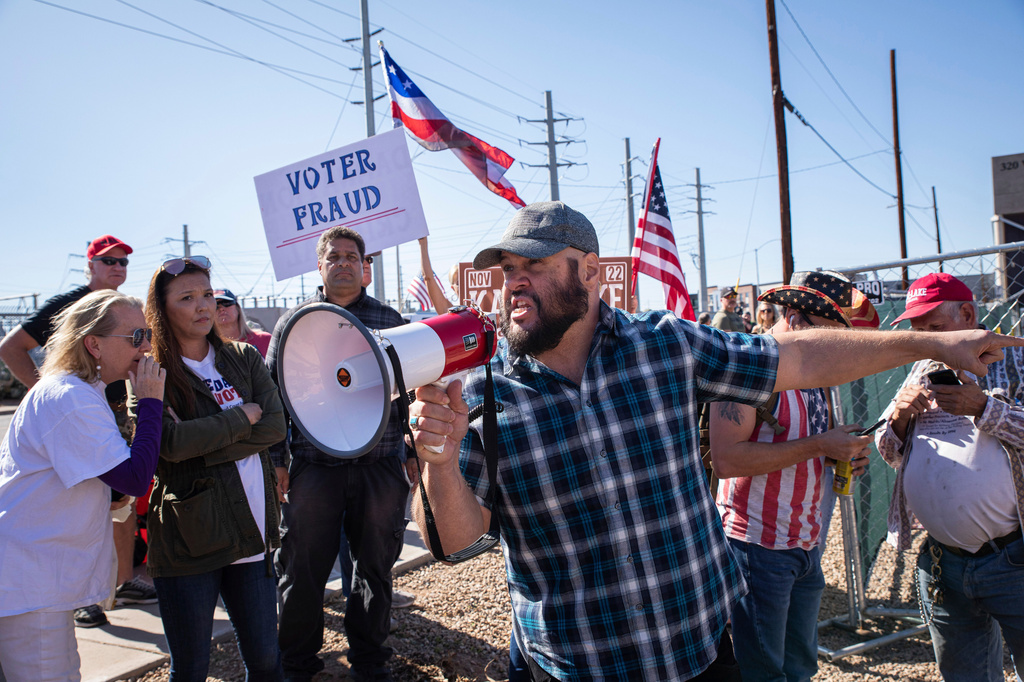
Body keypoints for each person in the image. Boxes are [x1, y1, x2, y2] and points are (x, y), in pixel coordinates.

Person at [406, 200, 1024, 682]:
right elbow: (454, 538)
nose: (515, 283)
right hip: (573, 665)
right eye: (508, 269)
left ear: (589, 272)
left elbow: (796, 360)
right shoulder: (486, 391)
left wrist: (927, 344)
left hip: (700, 654)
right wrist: (436, 463)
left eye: (534, 266)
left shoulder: (665, 346)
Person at [710, 271, 873, 682]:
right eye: (832, 337)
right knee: (762, 671)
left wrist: (841, 458)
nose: (838, 352)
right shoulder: (745, 366)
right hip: (756, 546)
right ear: (799, 320)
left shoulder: (814, 372)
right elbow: (726, 460)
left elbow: (812, 441)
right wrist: (821, 446)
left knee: (800, 666)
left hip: (804, 542)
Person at [268, 226, 412, 682]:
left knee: (375, 568)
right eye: (335, 256)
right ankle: (296, 664)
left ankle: (370, 661)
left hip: (380, 465)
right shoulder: (293, 325)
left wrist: (411, 450)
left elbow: (410, 393)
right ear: (320, 265)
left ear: (365, 268)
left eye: (353, 256)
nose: (345, 263)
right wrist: (277, 459)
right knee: (302, 569)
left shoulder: (392, 321)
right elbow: (274, 398)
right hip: (315, 467)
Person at [0, 290, 165, 680]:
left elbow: (98, 475)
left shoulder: (76, 390)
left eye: (147, 334)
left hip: (35, 578)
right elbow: (134, 477)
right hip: (32, 584)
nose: (145, 346)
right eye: (134, 337)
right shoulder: (71, 397)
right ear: (93, 344)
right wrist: (150, 402)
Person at [143, 256, 286, 680]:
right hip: (190, 542)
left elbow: (276, 426)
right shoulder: (152, 370)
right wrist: (242, 419)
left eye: (206, 294)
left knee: (265, 659)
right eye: (187, 297)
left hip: (253, 530)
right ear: (162, 308)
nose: (204, 305)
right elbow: (167, 445)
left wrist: (198, 443)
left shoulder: (242, 356)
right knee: (190, 668)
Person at [875, 272, 1024, 682]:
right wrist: (901, 421)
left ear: (968, 314)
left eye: (936, 330)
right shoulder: (921, 368)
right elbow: (888, 452)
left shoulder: (1015, 362)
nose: (928, 342)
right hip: (944, 562)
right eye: (919, 333)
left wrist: (985, 409)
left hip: (1013, 559)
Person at [213, 288, 272, 358]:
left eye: (226, 303)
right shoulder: (208, 348)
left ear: (237, 308)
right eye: (216, 305)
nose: (221, 308)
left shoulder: (264, 339)